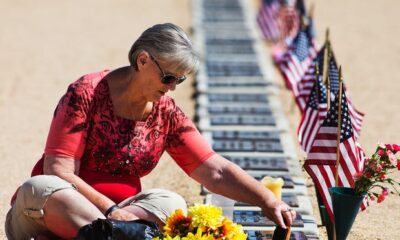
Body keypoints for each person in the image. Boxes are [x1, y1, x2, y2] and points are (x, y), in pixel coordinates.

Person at [5, 23, 296, 239]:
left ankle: (114, 235)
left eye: (179, 81)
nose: (171, 88)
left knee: (172, 203)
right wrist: (109, 212)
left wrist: (266, 199)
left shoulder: (165, 112)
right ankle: (118, 234)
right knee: (40, 185)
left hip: (121, 217)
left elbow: (213, 169)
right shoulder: (86, 94)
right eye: (168, 77)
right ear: (142, 60)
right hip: (54, 212)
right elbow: (58, 170)